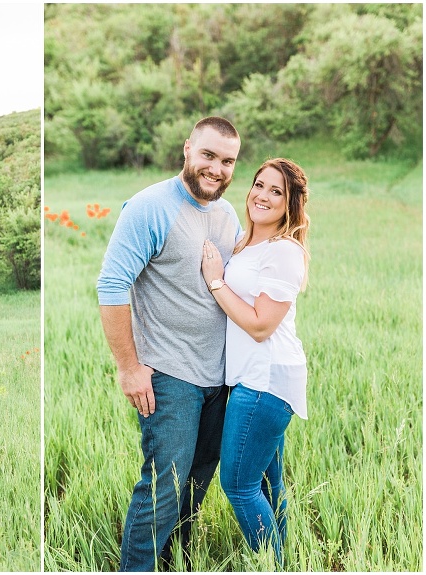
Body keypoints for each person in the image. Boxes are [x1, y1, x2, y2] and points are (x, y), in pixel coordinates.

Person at [97, 116, 242, 571]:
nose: (216, 168)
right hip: (170, 377)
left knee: (197, 481)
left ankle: (173, 560)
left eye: (227, 161)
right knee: (164, 487)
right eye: (208, 155)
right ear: (187, 149)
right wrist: (129, 367)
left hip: (219, 378)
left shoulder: (227, 214)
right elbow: (112, 285)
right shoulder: (150, 207)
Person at [201, 158, 310, 567]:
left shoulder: (284, 251)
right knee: (269, 481)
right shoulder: (248, 242)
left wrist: (216, 281)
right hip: (255, 378)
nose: (262, 195)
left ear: (290, 204)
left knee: (239, 485)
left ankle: (273, 566)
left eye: (276, 191)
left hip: (265, 381)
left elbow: (261, 325)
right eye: (259, 185)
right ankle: (283, 561)